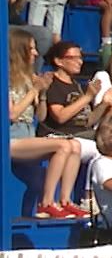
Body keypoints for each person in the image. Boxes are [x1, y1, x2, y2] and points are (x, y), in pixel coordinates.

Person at [6, 27, 85, 218]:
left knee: (74, 145)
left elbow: (40, 117)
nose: (35, 53)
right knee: (62, 146)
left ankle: (65, 201)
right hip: (11, 138)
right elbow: (11, 114)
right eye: (31, 48)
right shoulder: (6, 78)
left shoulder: (30, 78)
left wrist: (42, 94)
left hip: (28, 136)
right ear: (19, 51)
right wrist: (34, 90)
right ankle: (46, 202)